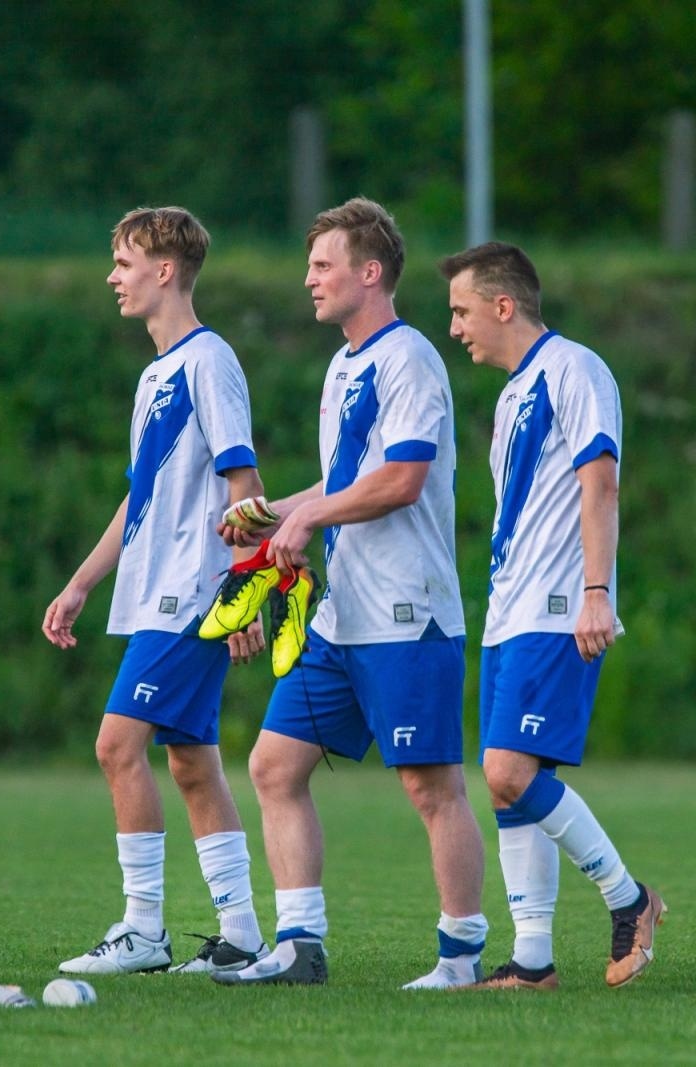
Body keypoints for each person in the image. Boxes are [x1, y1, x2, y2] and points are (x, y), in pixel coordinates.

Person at [213, 197, 487, 989]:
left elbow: (402, 480)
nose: (309, 281)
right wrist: (273, 515)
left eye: (323, 266)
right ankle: (300, 943)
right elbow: (344, 482)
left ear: (370, 273)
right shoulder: (344, 364)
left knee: (432, 786)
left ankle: (461, 955)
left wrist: (308, 521)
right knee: (273, 764)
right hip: (343, 614)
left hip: (408, 609)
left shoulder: (410, 359)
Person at [43, 206, 269, 977]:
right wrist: (80, 583)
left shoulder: (210, 361)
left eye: (124, 261)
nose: (113, 276)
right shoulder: (155, 375)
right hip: (157, 592)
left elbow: (245, 481)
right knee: (192, 762)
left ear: (165, 269)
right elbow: (140, 498)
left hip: (193, 593)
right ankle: (240, 932)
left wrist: (248, 590)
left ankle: (143, 929)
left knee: (116, 744)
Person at [438, 241, 664, 990]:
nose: (456, 328)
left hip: (560, 605)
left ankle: (630, 898)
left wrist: (597, 591)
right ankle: (532, 958)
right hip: (512, 609)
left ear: (504, 306)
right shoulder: (511, 395)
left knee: (507, 770)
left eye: (462, 311)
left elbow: (601, 481)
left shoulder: (576, 368)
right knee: (507, 780)